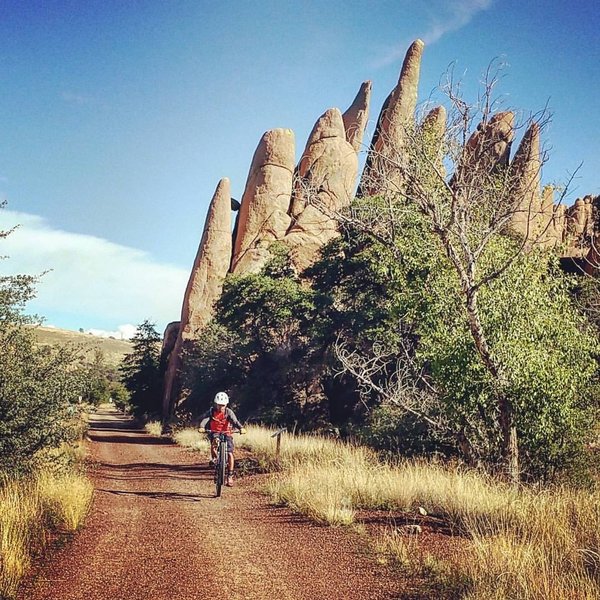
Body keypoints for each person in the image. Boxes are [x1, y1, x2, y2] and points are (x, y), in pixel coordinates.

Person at [200, 392, 245, 487]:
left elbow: (235, 421)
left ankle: (230, 476)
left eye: (223, 405)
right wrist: (202, 426)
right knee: (214, 443)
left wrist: (241, 428)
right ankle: (215, 459)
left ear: (226, 404)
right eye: (219, 405)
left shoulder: (229, 412)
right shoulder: (211, 411)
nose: (221, 407)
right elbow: (205, 419)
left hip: (227, 433)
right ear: (216, 404)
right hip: (215, 432)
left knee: (230, 453)